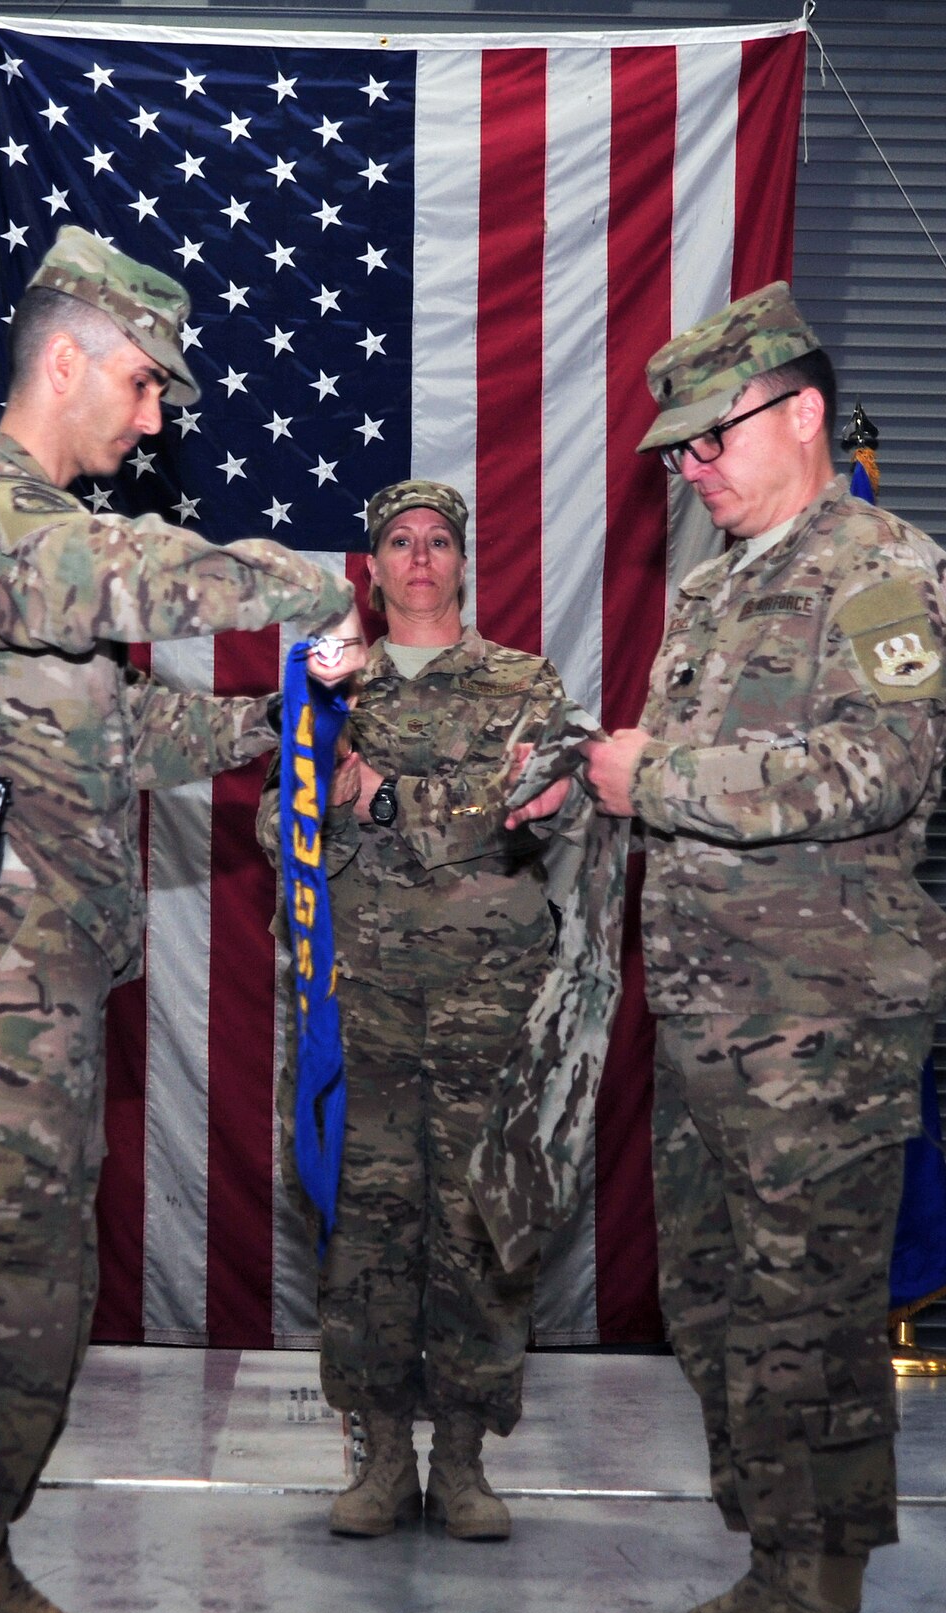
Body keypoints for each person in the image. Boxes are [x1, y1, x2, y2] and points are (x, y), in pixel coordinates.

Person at [0, 227, 361, 1613]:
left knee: (43, 1291)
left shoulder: (34, 559)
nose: (153, 421)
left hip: (42, 983)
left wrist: (285, 731)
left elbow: (123, 736)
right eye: (143, 384)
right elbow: (138, 577)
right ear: (66, 358)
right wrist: (319, 573)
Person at [581, 282, 946, 1613]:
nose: (690, 468)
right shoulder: (716, 589)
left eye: (710, 438)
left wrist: (656, 778)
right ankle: (766, 1571)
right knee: (718, 1306)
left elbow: (875, 769)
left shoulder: (884, 576)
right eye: (674, 450)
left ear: (800, 412)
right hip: (706, 1016)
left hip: (819, 1027)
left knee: (807, 1313)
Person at [260, 481, 573, 1542]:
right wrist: (316, 790)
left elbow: (532, 818)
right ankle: (384, 1454)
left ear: (464, 560)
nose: (422, 557)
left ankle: (469, 1461)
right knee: (369, 1226)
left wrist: (384, 798)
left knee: (483, 1226)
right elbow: (277, 829)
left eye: (440, 540)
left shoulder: (525, 681)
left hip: (491, 998)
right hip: (368, 1000)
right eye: (401, 541)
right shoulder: (330, 685)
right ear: (374, 566)